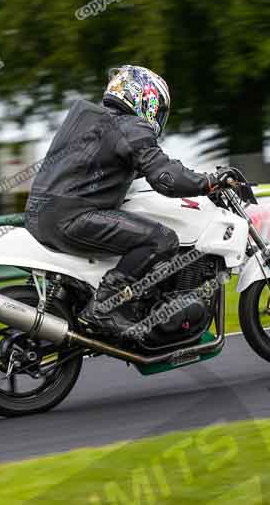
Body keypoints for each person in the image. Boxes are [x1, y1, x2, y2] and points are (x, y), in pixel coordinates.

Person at [24, 65, 235, 336]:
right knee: (162, 239)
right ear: (142, 97)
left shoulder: (86, 118)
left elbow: (109, 167)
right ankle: (105, 305)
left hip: (40, 214)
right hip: (72, 218)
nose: (158, 116)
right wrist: (208, 182)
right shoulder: (130, 127)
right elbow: (166, 179)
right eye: (158, 108)